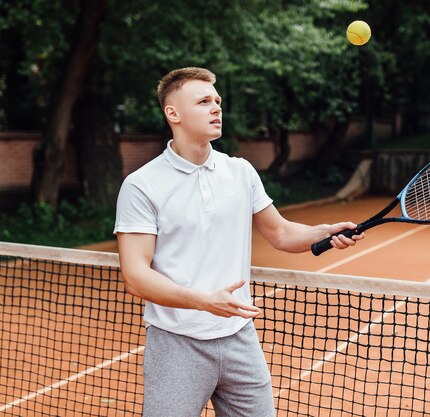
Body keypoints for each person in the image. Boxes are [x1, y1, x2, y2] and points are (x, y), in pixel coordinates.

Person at [114, 67, 364, 417]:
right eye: (203, 102)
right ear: (173, 113)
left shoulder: (241, 171)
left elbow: (280, 233)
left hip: (240, 338)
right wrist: (201, 301)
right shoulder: (142, 185)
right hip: (177, 344)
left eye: (217, 101)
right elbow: (135, 275)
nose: (216, 108)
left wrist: (323, 231)